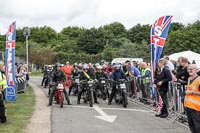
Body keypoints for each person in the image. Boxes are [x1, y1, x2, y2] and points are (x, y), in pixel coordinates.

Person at [184, 64, 200, 133]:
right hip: (188, 105)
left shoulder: (199, 80)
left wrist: (191, 92)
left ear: (196, 70)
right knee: (191, 125)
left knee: (197, 125)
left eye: (192, 68)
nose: (190, 70)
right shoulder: (189, 79)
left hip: (196, 107)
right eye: (189, 69)